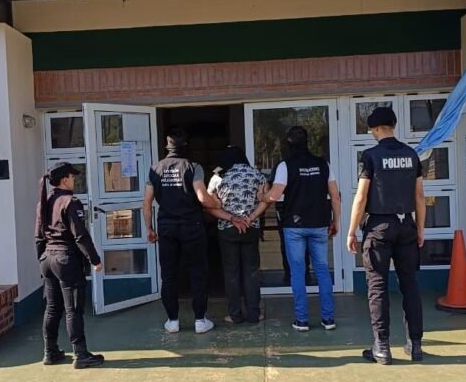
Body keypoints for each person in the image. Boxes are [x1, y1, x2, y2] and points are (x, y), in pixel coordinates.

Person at [346, 106, 426, 365]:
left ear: (376, 129)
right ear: (393, 125)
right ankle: (415, 345)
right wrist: (420, 229)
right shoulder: (411, 154)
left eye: (371, 129)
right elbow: (419, 196)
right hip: (406, 226)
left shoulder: (371, 156)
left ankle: (381, 346)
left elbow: (361, 197)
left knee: (377, 286)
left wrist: (351, 231)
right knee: (410, 285)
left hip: (379, 228)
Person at [262, 126, 341, 332]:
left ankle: (302, 320)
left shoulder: (285, 165)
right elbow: (335, 195)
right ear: (307, 141)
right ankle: (328, 319)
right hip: (320, 223)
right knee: (322, 270)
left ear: (289, 143)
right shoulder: (323, 164)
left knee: (298, 272)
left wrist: (262, 195)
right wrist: (336, 221)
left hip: (294, 226)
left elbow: (274, 195)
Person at [143, 128, 220, 334]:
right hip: (191, 226)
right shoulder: (193, 166)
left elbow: (147, 202)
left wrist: (149, 228)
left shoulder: (155, 169)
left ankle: (172, 321)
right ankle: (200, 320)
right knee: (197, 272)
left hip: (166, 227)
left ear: (166, 146)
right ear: (185, 146)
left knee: (168, 274)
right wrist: (217, 204)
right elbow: (202, 198)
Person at [34, 161, 105, 369]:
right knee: (73, 309)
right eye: (72, 177)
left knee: (52, 307)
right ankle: (80, 354)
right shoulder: (70, 202)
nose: (74, 180)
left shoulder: (44, 202)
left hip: (48, 259)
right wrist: (95, 259)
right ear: (64, 179)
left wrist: (42, 259)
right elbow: (80, 235)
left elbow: (38, 236)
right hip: (66, 260)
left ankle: (50, 352)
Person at [206, 146, 269, 324]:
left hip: (227, 229)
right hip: (251, 228)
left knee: (231, 272)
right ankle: (254, 314)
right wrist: (250, 218)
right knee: (251, 271)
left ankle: (234, 314)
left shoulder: (217, 177)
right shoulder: (257, 175)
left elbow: (208, 205)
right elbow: (266, 200)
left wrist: (232, 218)